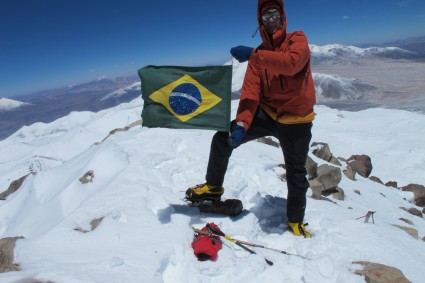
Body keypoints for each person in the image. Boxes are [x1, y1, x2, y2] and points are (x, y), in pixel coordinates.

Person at [185, 0, 316, 238]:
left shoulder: (297, 39)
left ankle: (296, 221)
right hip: (267, 114)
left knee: (296, 171)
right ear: (261, 22)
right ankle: (213, 188)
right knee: (222, 138)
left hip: (297, 119)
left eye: (275, 14)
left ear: (283, 17)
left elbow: (292, 64)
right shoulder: (258, 59)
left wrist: (255, 54)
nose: (271, 19)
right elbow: (250, 93)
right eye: (266, 17)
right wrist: (243, 124)